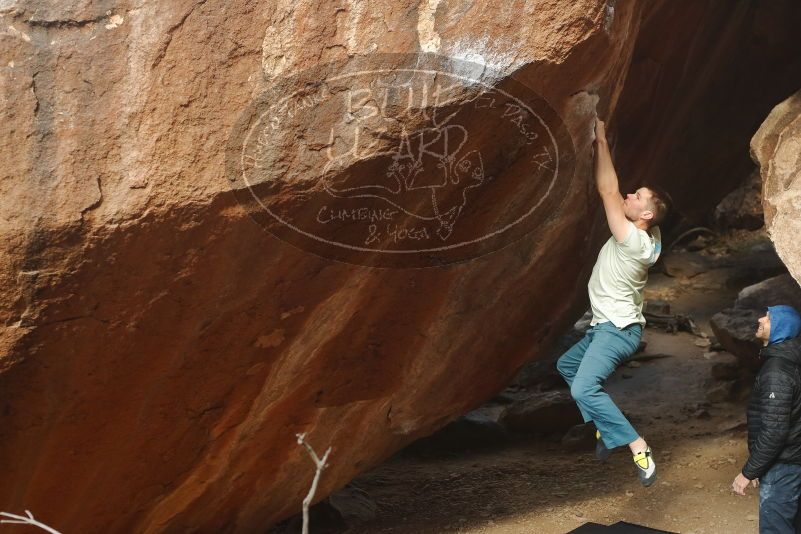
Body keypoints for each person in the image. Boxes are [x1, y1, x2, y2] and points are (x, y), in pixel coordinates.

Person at [556, 118, 669, 487]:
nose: (628, 197)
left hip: (616, 331)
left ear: (645, 216)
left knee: (582, 388)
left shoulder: (632, 240)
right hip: (607, 328)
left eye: (637, 197)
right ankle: (605, 427)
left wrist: (600, 141)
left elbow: (607, 191)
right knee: (567, 365)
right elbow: (621, 199)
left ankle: (638, 445)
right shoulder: (650, 240)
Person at [732, 305, 801, 533]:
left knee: (776, 528)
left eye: (769, 319)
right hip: (792, 461)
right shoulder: (789, 362)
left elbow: (774, 431)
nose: (760, 319)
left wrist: (748, 472)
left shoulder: (777, 372)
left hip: (784, 465)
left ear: (780, 328)